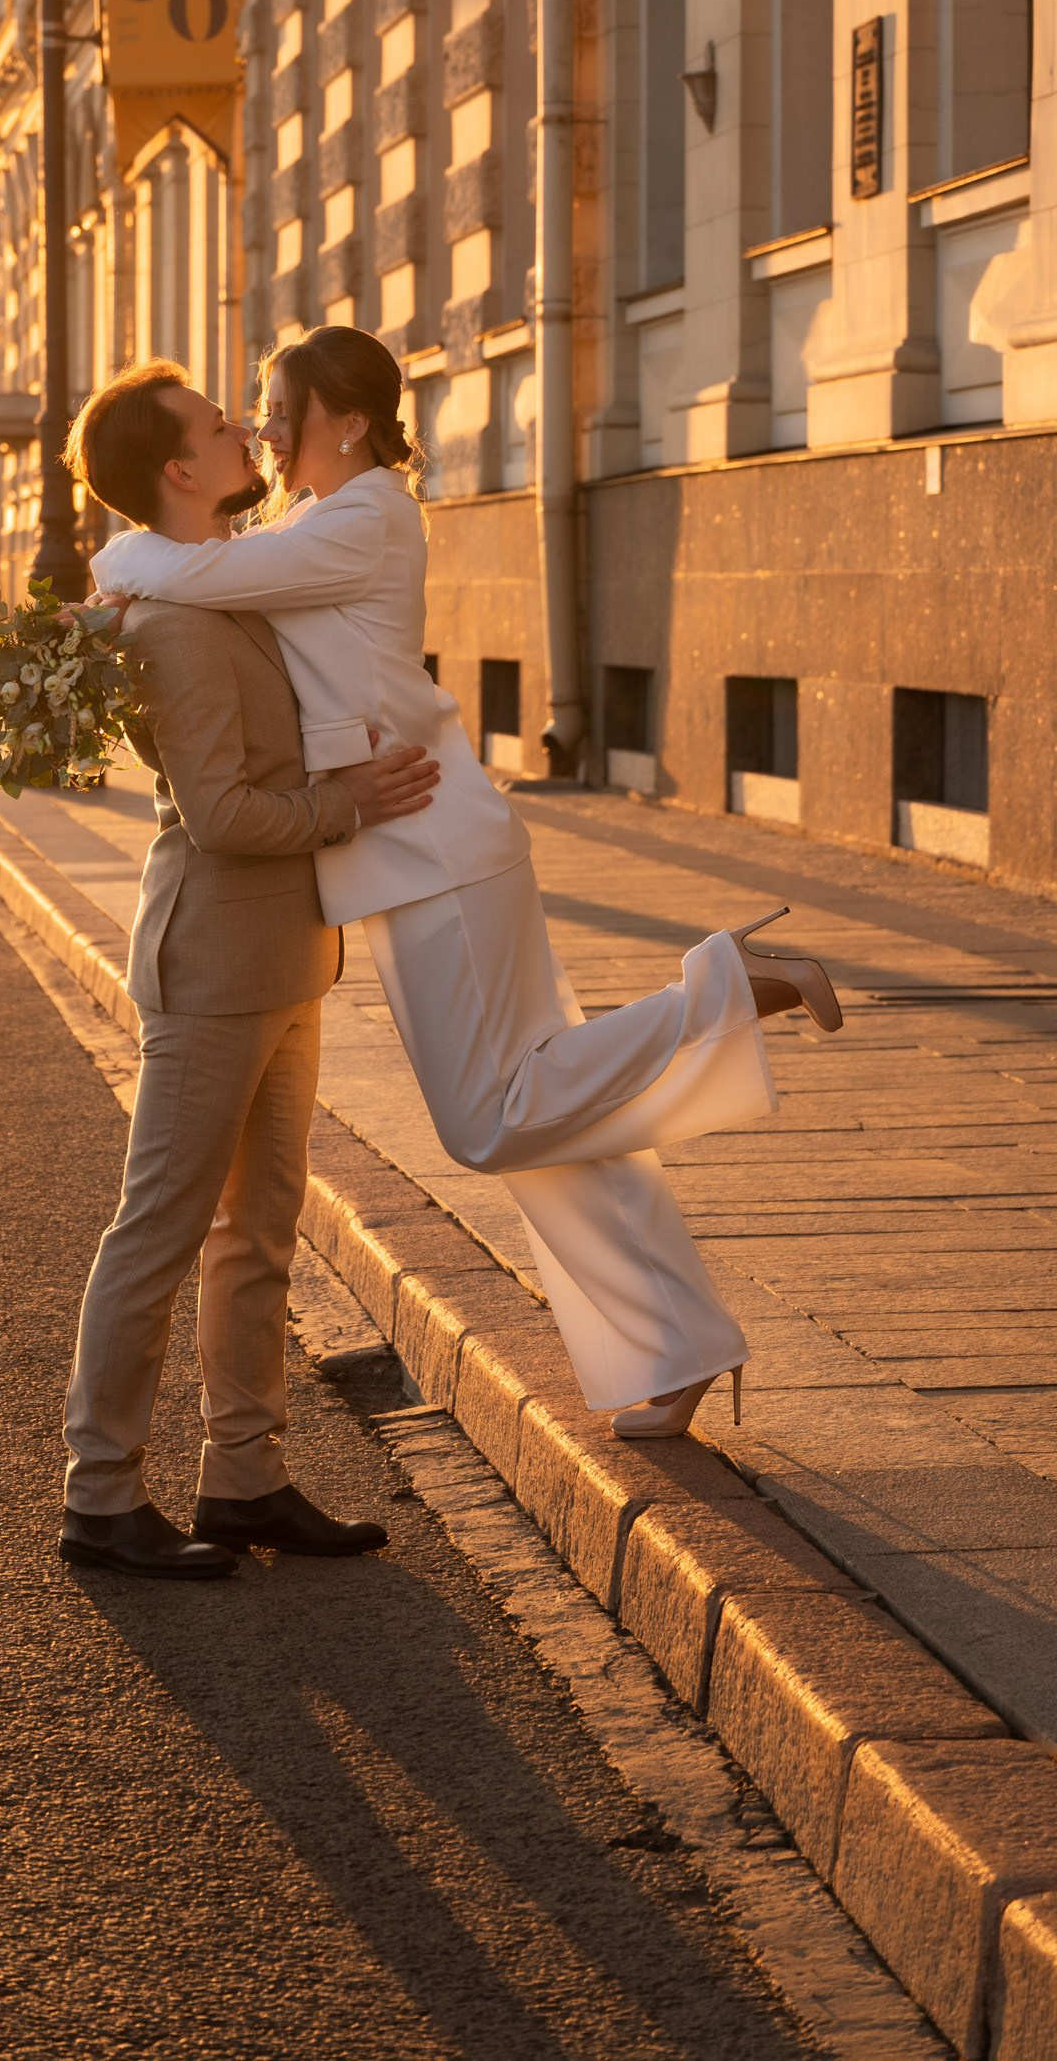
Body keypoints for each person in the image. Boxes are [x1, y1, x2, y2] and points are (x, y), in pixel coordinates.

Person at [91, 325, 844, 1441]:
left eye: (276, 404)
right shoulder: (320, 519)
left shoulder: (363, 516)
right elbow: (215, 581)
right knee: (551, 1103)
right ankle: (677, 1342)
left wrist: (103, 565)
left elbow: (191, 568)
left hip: (431, 849)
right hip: (418, 849)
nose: (259, 423)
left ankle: (730, 983)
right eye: (246, 410)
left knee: (490, 1121)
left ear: (344, 419)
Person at [56, 360, 443, 1578]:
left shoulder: (224, 588)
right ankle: (102, 1492)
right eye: (220, 426)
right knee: (160, 1229)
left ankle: (245, 1475)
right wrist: (340, 803)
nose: (244, 432)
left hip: (284, 953)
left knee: (259, 1230)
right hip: (213, 952)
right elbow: (220, 813)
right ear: (179, 470)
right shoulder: (169, 623)